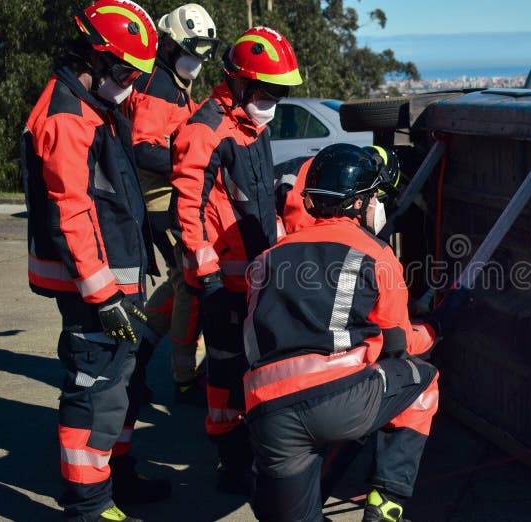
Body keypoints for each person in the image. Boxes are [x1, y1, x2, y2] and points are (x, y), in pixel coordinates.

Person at [20, 1, 170, 520]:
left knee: (123, 386)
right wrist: (102, 294)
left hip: (112, 281)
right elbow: (72, 212)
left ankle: (117, 477)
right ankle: (88, 504)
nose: (131, 82)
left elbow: (115, 199)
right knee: (93, 392)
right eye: (127, 70)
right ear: (96, 57)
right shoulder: (67, 116)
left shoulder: (93, 106)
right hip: (95, 291)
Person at [243, 143, 440, 522]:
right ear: (359, 203)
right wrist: (430, 332)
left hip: (267, 413)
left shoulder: (267, 258)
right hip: (340, 405)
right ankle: (386, 499)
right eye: (374, 197)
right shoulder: (374, 253)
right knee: (423, 379)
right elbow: (397, 345)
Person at [170, 25, 302, 494]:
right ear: (239, 82)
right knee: (225, 372)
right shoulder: (205, 129)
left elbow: (256, 197)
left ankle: (249, 445)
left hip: (255, 278)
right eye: (267, 91)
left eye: (279, 94)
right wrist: (206, 278)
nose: (273, 102)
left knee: (254, 366)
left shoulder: (251, 126)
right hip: (222, 283)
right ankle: (228, 456)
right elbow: (188, 210)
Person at [125, 3, 219, 404]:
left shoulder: (170, 82)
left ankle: (136, 361)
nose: (195, 61)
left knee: (177, 284)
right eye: (190, 51)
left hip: (163, 198)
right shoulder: (159, 86)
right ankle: (182, 376)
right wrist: (193, 163)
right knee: (190, 288)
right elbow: (144, 151)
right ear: (167, 44)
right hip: (160, 201)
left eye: (201, 54)